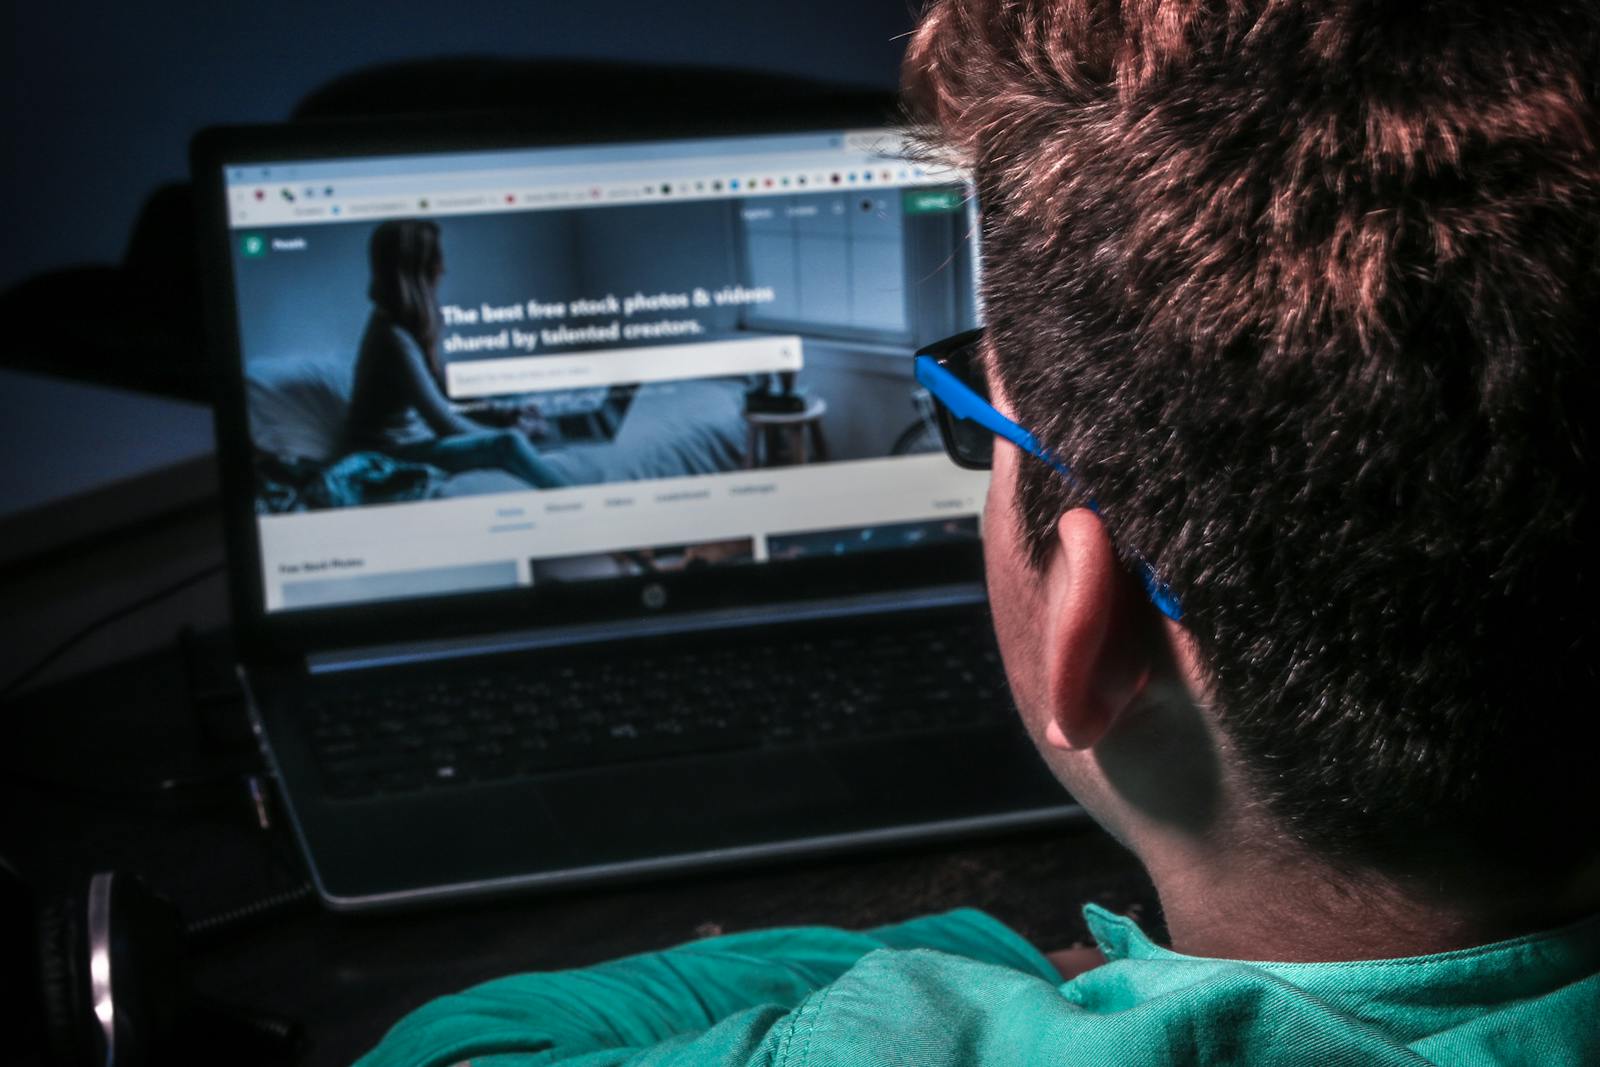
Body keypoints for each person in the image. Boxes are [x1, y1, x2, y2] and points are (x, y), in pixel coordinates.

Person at [356, 2, 1598, 1063]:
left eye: (971, 413)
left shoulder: (904, 1032)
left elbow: (456, 1040)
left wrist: (987, 952)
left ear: (1086, 621)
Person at [346, 219, 570, 489]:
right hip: (387, 455)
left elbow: (441, 385)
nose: (444, 269)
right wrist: (513, 433)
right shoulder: (391, 337)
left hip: (410, 442)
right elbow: (445, 424)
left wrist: (502, 412)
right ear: (418, 269)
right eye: (436, 259)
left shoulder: (402, 324)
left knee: (516, 433)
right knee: (508, 445)